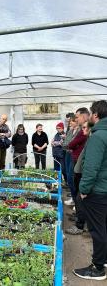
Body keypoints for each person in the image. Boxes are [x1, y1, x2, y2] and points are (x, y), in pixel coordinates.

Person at [73, 100, 107, 281]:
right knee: (104, 226)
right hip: (105, 187)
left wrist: (84, 190)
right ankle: (104, 259)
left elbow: (91, 168)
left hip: (98, 190)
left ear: (95, 115)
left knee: (97, 229)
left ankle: (98, 268)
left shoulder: (98, 136)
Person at [65, 121, 92, 235]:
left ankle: (80, 225)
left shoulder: (94, 140)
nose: (83, 130)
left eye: (85, 127)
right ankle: (80, 221)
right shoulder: (89, 139)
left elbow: (71, 144)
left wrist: (85, 186)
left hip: (84, 173)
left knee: (81, 197)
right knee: (78, 195)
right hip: (80, 168)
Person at [65, 108, 89, 206]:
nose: (76, 119)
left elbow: (72, 143)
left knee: (75, 182)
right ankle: (77, 206)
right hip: (75, 157)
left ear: (83, 116)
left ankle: (79, 209)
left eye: (77, 117)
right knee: (73, 181)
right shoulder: (80, 128)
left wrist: (71, 145)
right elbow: (70, 143)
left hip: (78, 158)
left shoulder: (85, 127)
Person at [62, 116, 80, 205]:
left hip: (74, 155)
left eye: (71, 122)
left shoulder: (80, 131)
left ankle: (76, 201)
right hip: (68, 154)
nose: (70, 123)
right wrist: (68, 146)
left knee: (72, 177)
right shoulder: (70, 131)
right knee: (67, 174)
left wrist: (69, 145)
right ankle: (73, 198)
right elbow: (66, 142)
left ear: (76, 122)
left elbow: (75, 144)